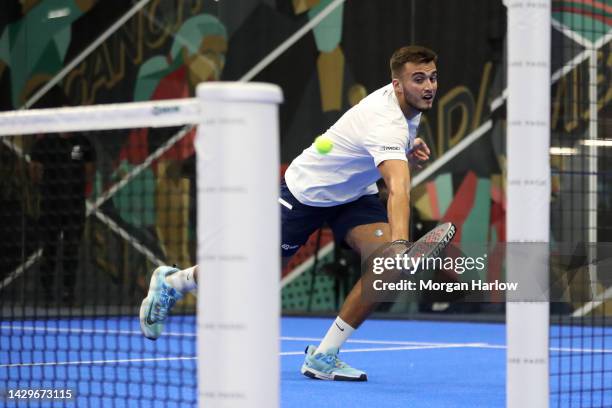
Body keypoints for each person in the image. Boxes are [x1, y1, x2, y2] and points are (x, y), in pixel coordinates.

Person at [140, 45, 437, 381]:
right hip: (306, 192)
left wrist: (407, 147)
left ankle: (324, 355)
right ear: (397, 85)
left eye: (432, 77)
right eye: (418, 79)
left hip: (353, 194)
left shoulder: (408, 108)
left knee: (386, 268)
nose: (428, 86)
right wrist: (401, 242)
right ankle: (173, 281)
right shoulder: (386, 122)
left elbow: (385, 153)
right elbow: (398, 187)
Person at [29, 86, 95, 305]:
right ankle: (47, 293)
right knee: (49, 248)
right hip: (50, 206)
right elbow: (35, 172)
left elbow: (89, 171)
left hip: (75, 206)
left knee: (71, 250)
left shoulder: (83, 143)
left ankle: (68, 292)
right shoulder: (43, 144)